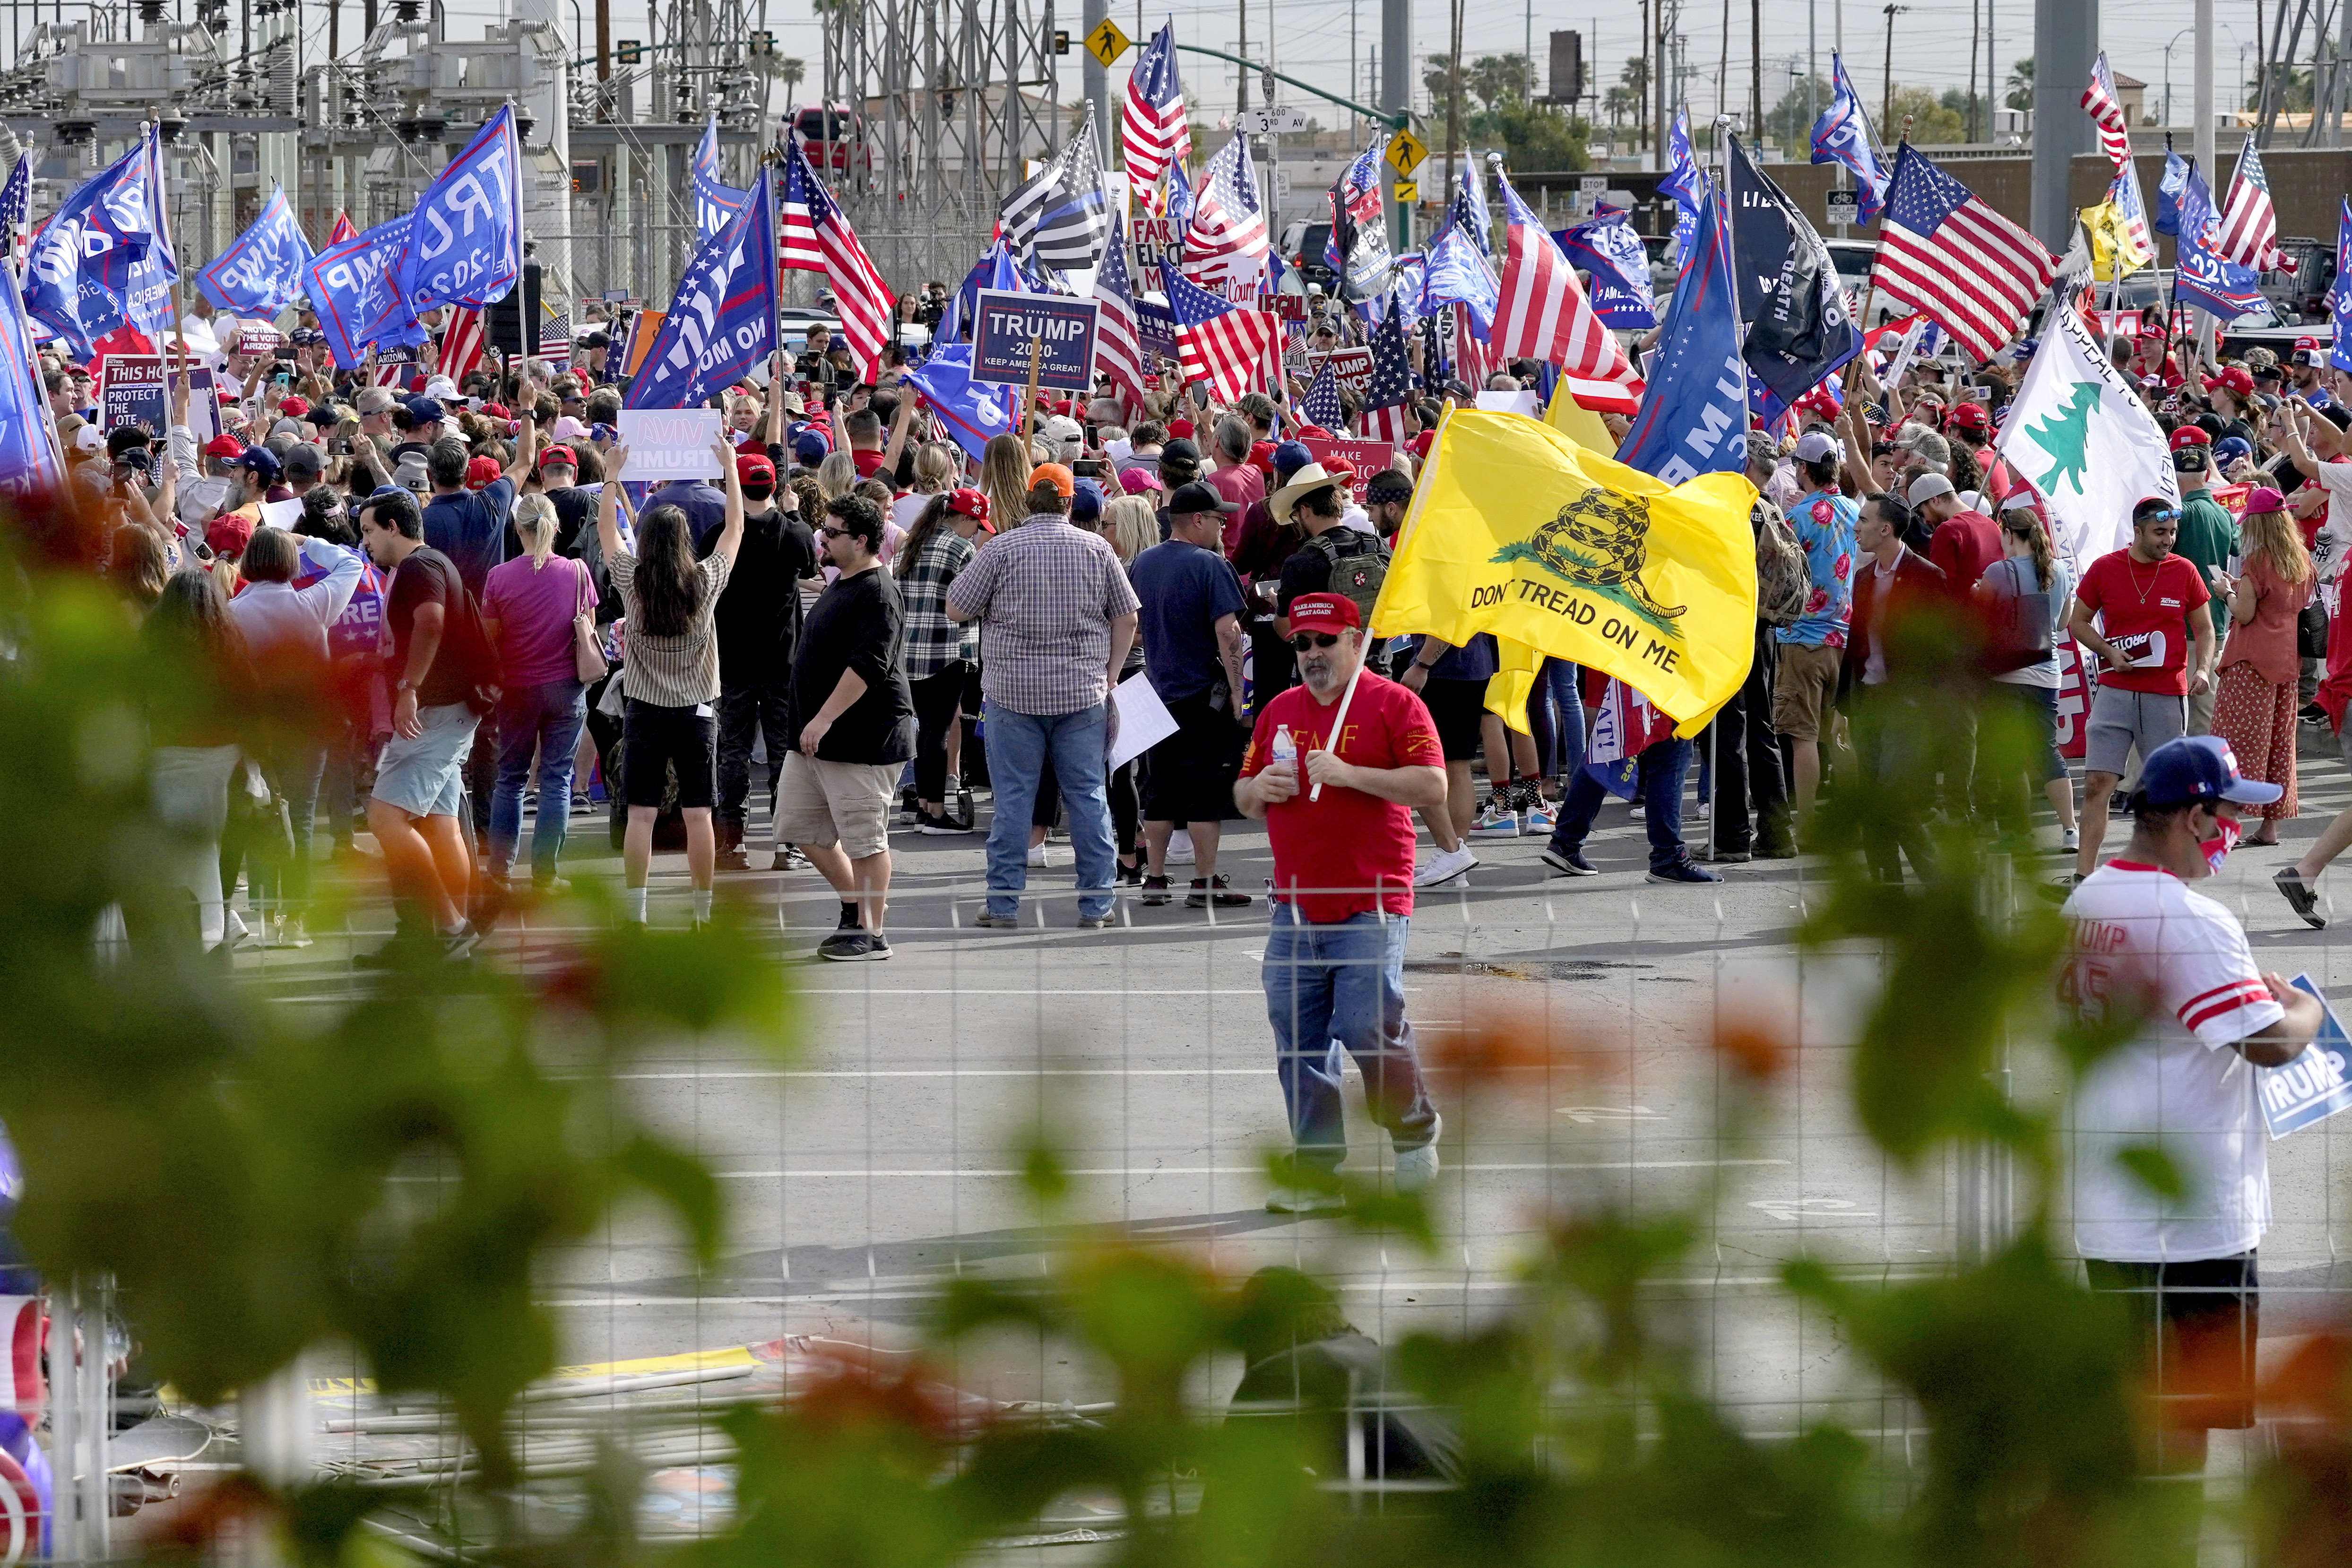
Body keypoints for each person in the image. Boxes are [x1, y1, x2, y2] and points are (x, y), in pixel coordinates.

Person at [2061, 735, 2323, 1473]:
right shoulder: (2194, 921)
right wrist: (2303, 1010)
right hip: (2194, 1220)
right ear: (2195, 817)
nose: (2237, 828)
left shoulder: (2087, 899)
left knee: (2130, 1418)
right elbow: (2270, 1044)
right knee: (2185, 1430)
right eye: (2232, 812)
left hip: (2110, 1204)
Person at [1235, 593, 1448, 1213]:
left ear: (1356, 641)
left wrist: (1352, 773)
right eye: (1302, 644)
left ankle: (1413, 1132)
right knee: (1299, 1037)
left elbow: (1433, 784)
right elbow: (1246, 795)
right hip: (1295, 905)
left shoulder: (1394, 703)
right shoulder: (1279, 710)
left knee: (1365, 1024)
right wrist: (1259, 789)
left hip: (1372, 899)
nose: (1312, 654)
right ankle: (1318, 1173)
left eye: (1326, 641)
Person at [945, 463, 1139, 930]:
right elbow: (1128, 619)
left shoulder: (999, 549)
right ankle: (1097, 902)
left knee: (1013, 801)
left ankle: (1004, 902)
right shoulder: (1096, 548)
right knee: (1088, 796)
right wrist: (1110, 675)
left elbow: (956, 608)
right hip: (1081, 693)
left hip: (1012, 696)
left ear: (1028, 501)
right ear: (1069, 503)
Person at [597, 442, 746, 928]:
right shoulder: (704, 582)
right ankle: (701, 912)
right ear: (686, 542)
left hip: (643, 709)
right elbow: (735, 530)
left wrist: (611, 477)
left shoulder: (631, 580)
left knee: (640, 814)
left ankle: (636, 909)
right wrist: (728, 471)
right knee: (698, 814)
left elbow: (606, 536)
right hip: (697, 710)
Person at [357, 486, 499, 961]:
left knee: (385, 818)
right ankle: (453, 929)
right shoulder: (431, 563)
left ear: (393, 527)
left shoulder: (419, 567)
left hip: (433, 712)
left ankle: (452, 925)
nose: (366, 543)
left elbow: (431, 622)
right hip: (448, 710)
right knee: (441, 825)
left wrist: (408, 688)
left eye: (369, 531)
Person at [781, 494, 917, 960]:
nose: (822, 537)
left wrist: (822, 718)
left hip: (861, 739)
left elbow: (868, 665)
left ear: (861, 541)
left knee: (864, 839)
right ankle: (853, 906)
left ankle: (871, 931)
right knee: (802, 828)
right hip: (814, 740)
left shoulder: (878, 591)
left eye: (833, 532)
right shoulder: (842, 581)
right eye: (824, 529)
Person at [221, 526, 363, 947]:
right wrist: (306, 542)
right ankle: (295, 919)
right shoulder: (312, 604)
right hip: (307, 731)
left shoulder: (229, 613)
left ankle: (264, 917)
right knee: (300, 818)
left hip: (255, 734)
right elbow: (352, 562)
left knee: (260, 817)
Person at [2069, 498, 2216, 884]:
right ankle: (2084, 875)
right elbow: (2078, 621)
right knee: (2097, 783)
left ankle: (2173, 876)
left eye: (2172, 533)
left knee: (2167, 792)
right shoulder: (2106, 568)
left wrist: (2202, 668)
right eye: (2160, 533)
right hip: (2115, 691)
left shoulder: (2184, 571)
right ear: (2138, 531)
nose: (2168, 540)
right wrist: (2107, 651)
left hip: (2166, 693)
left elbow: (2205, 628)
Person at [1130, 481, 1253, 908]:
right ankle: (1204, 882)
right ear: (1198, 520)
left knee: (1160, 789)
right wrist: (1241, 698)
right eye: (1219, 518)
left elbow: (1134, 628)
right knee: (1206, 796)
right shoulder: (1210, 565)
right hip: (1205, 698)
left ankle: (1156, 879)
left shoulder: (1142, 564)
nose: (1223, 525)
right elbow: (1228, 632)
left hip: (1157, 693)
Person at [480, 492, 595, 894]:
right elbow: (587, 629)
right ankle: (545, 875)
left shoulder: (499, 577)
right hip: (566, 689)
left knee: (510, 780)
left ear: (518, 529)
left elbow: (489, 640)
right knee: (557, 780)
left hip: (517, 689)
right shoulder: (577, 573)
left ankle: (500, 870)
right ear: (556, 526)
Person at [713, 453, 820, 869]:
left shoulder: (721, 536)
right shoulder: (794, 533)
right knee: (782, 754)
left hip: (735, 660)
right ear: (774, 488)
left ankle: (731, 843)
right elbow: (811, 563)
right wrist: (794, 515)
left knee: (733, 751)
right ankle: (785, 845)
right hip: (781, 662)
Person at [1843, 492, 1950, 884]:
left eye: (1864, 520)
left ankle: (1940, 884)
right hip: (1867, 703)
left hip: (1908, 709)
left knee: (1893, 801)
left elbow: (1943, 653)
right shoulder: (1864, 578)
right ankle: (1887, 893)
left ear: (1885, 529)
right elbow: (1856, 645)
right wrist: (1844, 708)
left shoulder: (1927, 577)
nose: (1856, 528)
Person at [2207, 489, 2314, 847]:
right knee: (2279, 746)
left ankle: (2227, 824)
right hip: (2286, 662)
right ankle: (2270, 827)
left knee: (2235, 743)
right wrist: (2240, 588)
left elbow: (2246, 613)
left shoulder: (2257, 560)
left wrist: (2225, 591)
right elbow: (2279, 601)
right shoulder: (2301, 559)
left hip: (2250, 662)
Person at [1974, 491, 2079, 853]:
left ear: (2008, 534)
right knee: (2047, 750)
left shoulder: (1997, 571)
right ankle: (2070, 829)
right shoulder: (2061, 570)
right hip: (2047, 673)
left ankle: (2017, 830)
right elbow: (2064, 622)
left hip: (2006, 673)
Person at [1772, 431, 1859, 837]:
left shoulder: (1797, 517)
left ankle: (1805, 826)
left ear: (1804, 470)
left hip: (1802, 637)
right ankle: (1854, 821)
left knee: (1803, 737)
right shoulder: (1856, 512)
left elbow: (1777, 572)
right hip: (1843, 636)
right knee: (1840, 736)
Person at [895, 486, 986, 835]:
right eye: (976, 523)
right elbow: (973, 600)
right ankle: (935, 812)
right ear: (963, 517)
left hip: (910, 650)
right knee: (938, 731)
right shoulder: (961, 549)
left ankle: (924, 807)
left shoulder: (911, 544)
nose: (976, 531)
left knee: (925, 732)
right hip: (949, 649)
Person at [2169, 427, 2240, 738]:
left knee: (2173, 709)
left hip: (2182, 621)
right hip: (2217, 617)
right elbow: (2236, 546)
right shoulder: (2223, 514)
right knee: (2207, 708)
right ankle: (2207, 776)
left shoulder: (2177, 514)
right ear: (2208, 472)